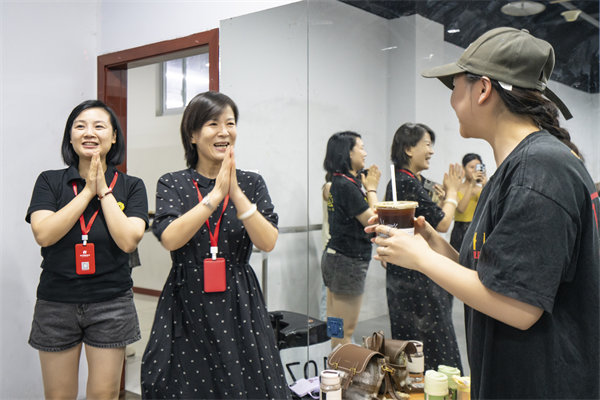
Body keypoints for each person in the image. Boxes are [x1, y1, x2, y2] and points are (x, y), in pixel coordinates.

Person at [370, 27, 599, 398]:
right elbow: (495, 278)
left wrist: (422, 260)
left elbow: (519, 306)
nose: (452, 98)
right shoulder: (521, 167)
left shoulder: (538, 170)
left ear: (482, 90)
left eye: (455, 85)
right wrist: (430, 243)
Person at [140, 91, 289, 399]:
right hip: (187, 298)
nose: (224, 132)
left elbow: (268, 241)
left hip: (239, 298)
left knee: (243, 383)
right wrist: (215, 196)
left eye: (230, 123)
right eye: (213, 124)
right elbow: (170, 237)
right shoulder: (173, 182)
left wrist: (235, 193)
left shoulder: (251, 183)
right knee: (184, 384)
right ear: (192, 135)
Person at [26, 100, 148, 399]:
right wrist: (86, 192)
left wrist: (102, 190)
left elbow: (128, 240)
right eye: (80, 126)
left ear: (114, 137)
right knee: (59, 396)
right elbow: (44, 234)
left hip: (112, 303)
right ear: (70, 137)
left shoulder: (132, 186)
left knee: (104, 395)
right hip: (56, 302)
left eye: (99, 126)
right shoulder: (50, 181)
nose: (89, 132)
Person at [384, 122, 463, 371]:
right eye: (427, 144)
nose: (431, 151)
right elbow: (443, 223)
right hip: (414, 278)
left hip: (415, 274)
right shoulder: (405, 182)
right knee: (430, 342)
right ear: (409, 149)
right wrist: (453, 194)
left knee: (428, 341)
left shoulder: (414, 181)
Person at [321, 131, 381, 347]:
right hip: (347, 262)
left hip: (336, 258)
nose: (365, 153)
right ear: (348, 152)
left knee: (336, 328)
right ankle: (343, 369)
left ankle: (335, 366)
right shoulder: (346, 185)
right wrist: (371, 188)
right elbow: (373, 221)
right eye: (361, 148)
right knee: (345, 331)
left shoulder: (339, 182)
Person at [449, 153, 487, 251]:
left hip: (477, 230)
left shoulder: (481, 189)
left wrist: (486, 186)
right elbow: (461, 209)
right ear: (463, 168)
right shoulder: (456, 188)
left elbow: (488, 209)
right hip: (460, 230)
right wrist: (471, 184)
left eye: (477, 167)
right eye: (471, 167)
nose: (475, 170)